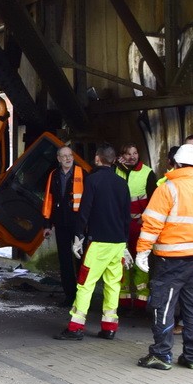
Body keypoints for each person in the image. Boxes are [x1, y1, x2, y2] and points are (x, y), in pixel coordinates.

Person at [134, 144, 193, 371]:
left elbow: (152, 224)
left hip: (171, 260)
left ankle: (161, 355)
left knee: (163, 306)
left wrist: (143, 250)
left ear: (176, 163)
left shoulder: (167, 189)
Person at [54, 144, 131, 340]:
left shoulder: (93, 180)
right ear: (114, 160)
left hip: (98, 243)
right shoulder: (122, 183)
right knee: (113, 285)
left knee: (85, 284)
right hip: (118, 243)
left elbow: (85, 210)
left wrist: (78, 235)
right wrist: (126, 244)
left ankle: (75, 327)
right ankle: (109, 327)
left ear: (97, 159)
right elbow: (126, 217)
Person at [42, 145, 85, 308]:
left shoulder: (81, 173)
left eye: (70, 155)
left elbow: (87, 201)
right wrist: (47, 224)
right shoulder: (53, 175)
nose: (68, 158)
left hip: (78, 224)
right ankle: (70, 296)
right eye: (64, 156)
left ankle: (82, 297)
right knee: (65, 261)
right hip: (61, 224)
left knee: (80, 260)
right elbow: (48, 201)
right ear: (58, 159)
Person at [115, 143, 156, 311]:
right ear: (121, 156)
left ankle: (141, 302)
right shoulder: (115, 171)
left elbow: (155, 200)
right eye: (128, 153)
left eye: (135, 152)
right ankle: (123, 302)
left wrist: (144, 218)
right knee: (121, 262)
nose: (132, 156)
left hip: (139, 225)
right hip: (120, 225)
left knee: (141, 262)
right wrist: (117, 166)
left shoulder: (147, 173)